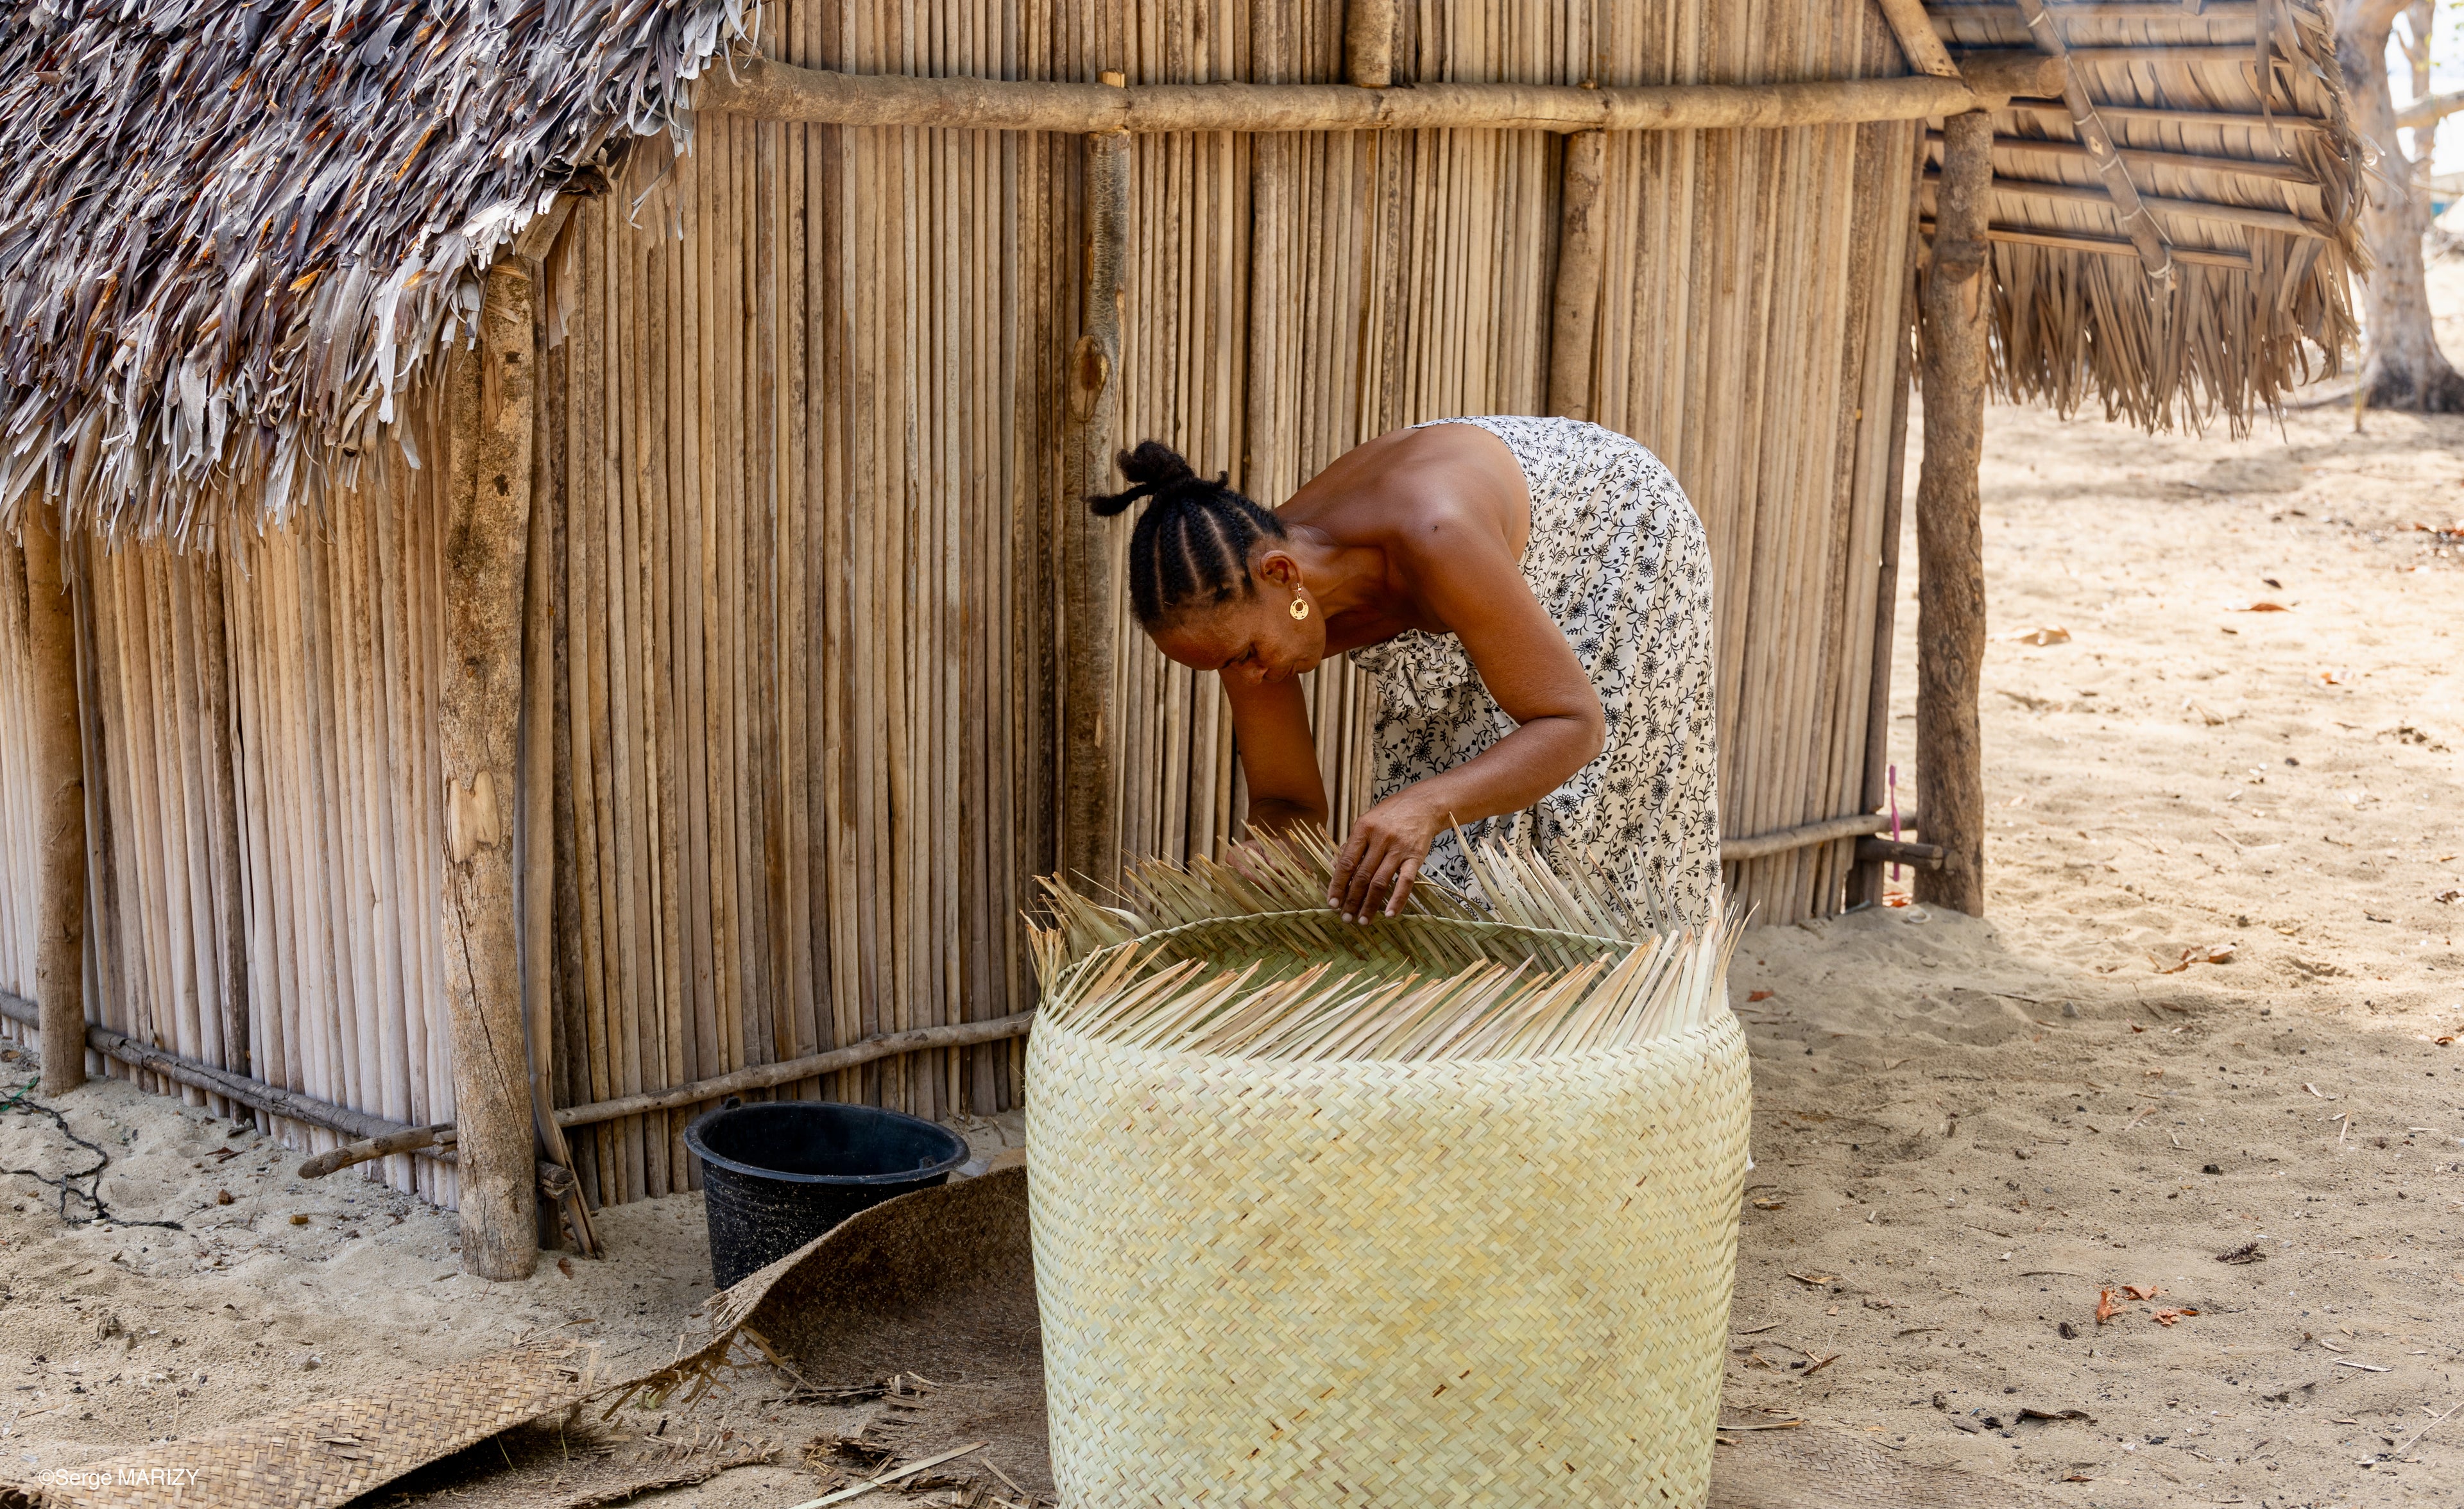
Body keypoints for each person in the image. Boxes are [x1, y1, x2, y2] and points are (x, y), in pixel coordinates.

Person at [1088, 416, 1718, 926]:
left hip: (1610, 527)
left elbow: (1573, 724)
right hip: (1467, 550)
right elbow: (1289, 804)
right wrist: (1269, 850)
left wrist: (1428, 804)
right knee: (1438, 856)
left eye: (1245, 657)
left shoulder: (1435, 533)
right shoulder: (1236, 605)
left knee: (1577, 831)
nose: (1247, 679)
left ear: (1283, 574)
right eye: (1225, 667)